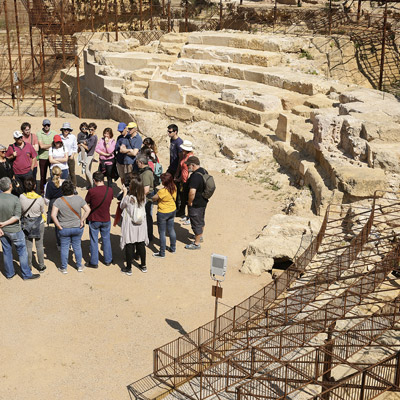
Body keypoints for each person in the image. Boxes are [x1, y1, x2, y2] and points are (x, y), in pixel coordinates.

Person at [0, 177, 40, 280]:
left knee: (6, 251)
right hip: (15, 230)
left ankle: (9, 274)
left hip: (2, 231)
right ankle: (26, 274)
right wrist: (4, 223)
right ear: (10, 186)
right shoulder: (15, 199)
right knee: (22, 251)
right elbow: (17, 217)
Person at [51, 180, 90, 274]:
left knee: (64, 247)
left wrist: (58, 225)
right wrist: (82, 220)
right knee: (77, 246)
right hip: (77, 227)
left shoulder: (58, 201)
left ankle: (64, 268)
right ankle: (79, 266)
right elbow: (88, 210)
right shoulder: (79, 199)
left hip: (64, 228)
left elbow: (53, 215)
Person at [120, 175, 148, 275]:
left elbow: (121, 205)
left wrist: (124, 193)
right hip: (141, 224)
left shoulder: (128, 198)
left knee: (129, 244)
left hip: (130, 224)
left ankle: (128, 268)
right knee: (141, 244)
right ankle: (143, 265)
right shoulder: (143, 197)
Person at [85, 171, 114, 268]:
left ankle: (94, 261)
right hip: (106, 218)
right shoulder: (110, 190)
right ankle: (108, 259)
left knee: (94, 240)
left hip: (94, 218)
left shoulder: (92, 191)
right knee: (106, 239)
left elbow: (86, 202)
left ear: (94, 180)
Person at [19, 176, 46, 273]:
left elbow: (21, 210)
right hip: (39, 223)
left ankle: (29, 266)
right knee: (39, 245)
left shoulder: (21, 197)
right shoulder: (39, 199)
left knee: (28, 246)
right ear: (34, 186)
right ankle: (41, 266)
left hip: (26, 223)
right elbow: (42, 211)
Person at [185, 156, 208, 250]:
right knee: (201, 220)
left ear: (193, 165)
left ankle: (196, 243)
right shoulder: (204, 171)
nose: (187, 167)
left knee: (196, 222)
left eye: (188, 165)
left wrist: (190, 202)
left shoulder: (195, 177)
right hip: (203, 201)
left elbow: (192, 192)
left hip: (196, 203)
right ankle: (200, 236)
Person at [152, 173, 177, 258]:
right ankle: (173, 248)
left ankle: (162, 252)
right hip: (172, 210)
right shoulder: (174, 187)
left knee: (162, 232)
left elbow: (154, 198)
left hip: (163, 212)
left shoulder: (162, 191)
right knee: (171, 229)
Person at [44, 166, 65, 249]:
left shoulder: (49, 184)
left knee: (57, 225)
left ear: (52, 174)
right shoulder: (65, 182)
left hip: (54, 205)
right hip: (64, 204)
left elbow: (46, 199)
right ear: (60, 173)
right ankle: (67, 242)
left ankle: (59, 243)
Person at [136, 153, 154, 242]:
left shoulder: (146, 174)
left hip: (146, 199)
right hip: (146, 198)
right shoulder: (146, 171)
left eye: (137, 162)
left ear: (141, 162)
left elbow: (146, 190)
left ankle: (148, 235)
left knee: (147, 217)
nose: (137, 164)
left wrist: (139, 198)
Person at [175, 139, 194, 221]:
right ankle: (185, 213)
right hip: (183, 180)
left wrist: (189, 181)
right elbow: (183, 169)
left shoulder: (191, 158)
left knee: (188, 199)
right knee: (184, 198)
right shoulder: (185, 156)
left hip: (188, 181)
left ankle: (190, 216)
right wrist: (180, 178)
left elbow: (190, 170)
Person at [37, 119, 57, 194]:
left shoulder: (54, 133)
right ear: (43, 125)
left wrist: (48, 146)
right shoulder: (39, 133)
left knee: (54, 174)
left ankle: (53, 189)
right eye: (45, 125)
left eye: (48, 125)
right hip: (43, 157)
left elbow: (57, 144)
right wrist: (52, 145)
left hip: (53, 156)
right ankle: (42, 191)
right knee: (43, 175)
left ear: (50, 125)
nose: (46, 126)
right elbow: (41, 146)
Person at [60, 122, 78, 187]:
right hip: (62, 157)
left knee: (72, 173)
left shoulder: (72, 137)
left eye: (67, 129)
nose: (66, 131)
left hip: (70, 156)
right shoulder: (59, 137)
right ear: (62, 130)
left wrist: (72, 155)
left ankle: (74, 187)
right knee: (63, 173)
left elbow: (75, 147)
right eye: (65, 129)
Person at [81, 122, 98, 188]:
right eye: (89, 129)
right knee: (87, 170)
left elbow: (88, 148)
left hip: (90, 155)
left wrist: (82, 144)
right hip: (87, 155)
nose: (90, 131)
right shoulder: (90, 136)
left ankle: (93, 185)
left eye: (92, 129)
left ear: (95, 129)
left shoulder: (93, 137)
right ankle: (88, 185)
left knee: (87, 170)